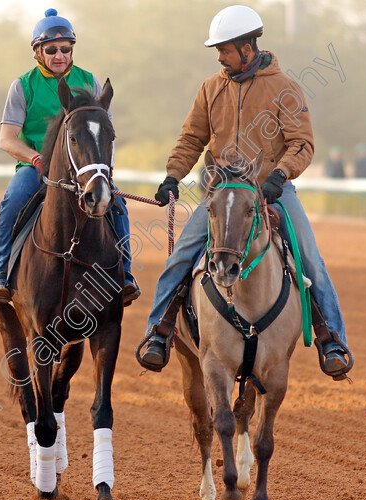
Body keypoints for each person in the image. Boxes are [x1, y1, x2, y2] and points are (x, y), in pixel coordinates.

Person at [137, 5, 351, 378]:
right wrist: (173, 176)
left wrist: (280, 176)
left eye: (225, 49)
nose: (220, 57)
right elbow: (191, 138)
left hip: (272, 192)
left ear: (247, 48)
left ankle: (330, 338)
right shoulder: (211, 88)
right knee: (181, 256)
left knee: (310, 260)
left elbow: (301, 143)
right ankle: (159, 332)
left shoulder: (285, 88)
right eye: (218, 51)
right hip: (223, 195)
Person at [0, 8, 139, 305]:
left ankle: (125, 274)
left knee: (118, 204)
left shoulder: (90, 82)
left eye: (66, 49)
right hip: (37, 169)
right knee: (12, 203)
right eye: (52, 49)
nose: (60, 55)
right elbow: (7, 139)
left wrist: (102, 172)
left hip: (84, 170)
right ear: (37, 52)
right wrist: (35, 159)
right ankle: (1, 274)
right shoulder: (22, 86)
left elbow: (104, 133)